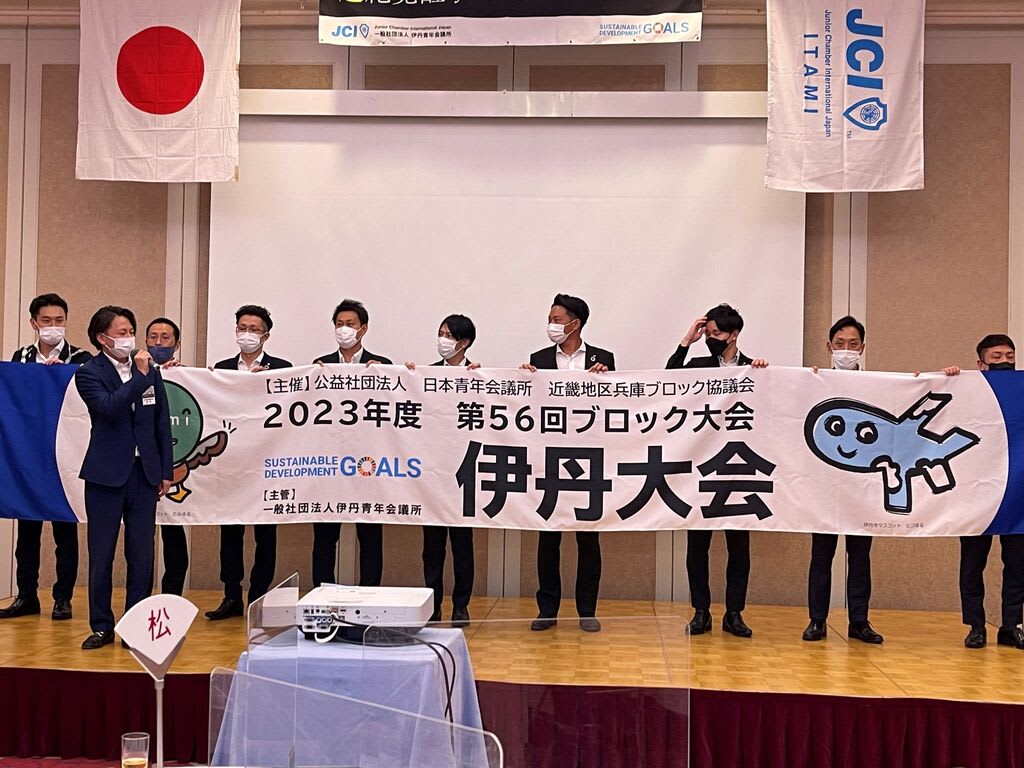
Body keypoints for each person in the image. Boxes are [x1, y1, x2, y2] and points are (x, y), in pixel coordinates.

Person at [666, 303, 768, 638]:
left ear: (733, 334)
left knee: (739, 548)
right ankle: (701, 612)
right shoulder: (698, 365)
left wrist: (763, 374)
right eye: (707, 333)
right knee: (697, 546)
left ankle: (734, 613)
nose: (711, 338)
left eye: (716, 333)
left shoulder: (752, 369)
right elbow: (668, 380)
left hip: (739, 468)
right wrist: (687, 341)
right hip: (703, 468)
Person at [75, 306, 172, 649]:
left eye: (131, 330)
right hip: (105, 475)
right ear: (102, 338)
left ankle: (135, 626)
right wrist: (140, 378)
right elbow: (109, 407)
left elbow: (161, 422)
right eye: (121, 332)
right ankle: (102, 625)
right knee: (102, 554)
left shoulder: (148, 370)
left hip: (144, 474)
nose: (129, 337)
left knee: (142, 555)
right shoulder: (89, 373)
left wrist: (165, 470)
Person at [522, 294, 614, 633]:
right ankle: (547, 610)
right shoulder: (539, 359)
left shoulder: (603, 358)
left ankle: (587, 610)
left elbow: (615, 405)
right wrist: (523, 380)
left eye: (557, 319)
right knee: (549, 539)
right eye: (550, 319)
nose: (551, 325)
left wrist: (606, 379)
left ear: (575, 323)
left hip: (589, 460)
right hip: (549, 460)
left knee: (588, 539)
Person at [0, 293, 91, 622]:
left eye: (59, 321)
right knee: (27, 529)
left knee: (65, 529)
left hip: (63, 453)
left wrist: (66, 374)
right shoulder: (21, 357)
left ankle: (63, 597)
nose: (53, 326)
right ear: (33, 323)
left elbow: (91, 395)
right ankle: (26, 595)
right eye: (46, 321)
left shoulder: (80, 357)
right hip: (27, 454)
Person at [803, 316, 883, 644]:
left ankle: (859, 621)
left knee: (860, 557)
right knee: (821, 556)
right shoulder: (814, 382)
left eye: (853, 344)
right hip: (825, 485)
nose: (846, 350)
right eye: (840, 344)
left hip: (862, 486)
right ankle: (817, 620)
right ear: (828, 347)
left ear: (862, 348)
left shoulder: (878, 385)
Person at [207, 305, 290, 620]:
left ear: (266, 335)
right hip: (231, 464)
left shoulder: (282, 369)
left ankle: (259, 596)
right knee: (230, 533)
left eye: (254, 329)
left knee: (265, 535)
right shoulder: (222, 369)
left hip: (268, 464)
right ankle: (231, 595)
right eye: (242, 328)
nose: (247, 334)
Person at [941, 334, 1024, 650]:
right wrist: (950, 380)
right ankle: (976, 626)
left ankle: (1011, 626)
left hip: (1016, 492)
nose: (1004, 362)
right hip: (977, 493)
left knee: (1017, 565)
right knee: (972, 563)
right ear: (981, 363)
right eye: (996, 356)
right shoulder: (968, 391)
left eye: (1009, 356)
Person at [312, 299, 393, 588]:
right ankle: (323, 591)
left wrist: (385, 376)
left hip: (368, 464)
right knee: (324, 536)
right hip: (329, 463)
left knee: (370, 536)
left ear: (363, 329)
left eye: (350, 324)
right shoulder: (319, 365)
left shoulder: (382, 365)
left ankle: (370, 592)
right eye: (339, 324)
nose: (343, 329)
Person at [405, 314, 480, 626]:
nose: (443, 340)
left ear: (464, 342)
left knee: (462, 547)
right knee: (432, 548)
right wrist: (408, 378)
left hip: (463, 475)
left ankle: (461, 605)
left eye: (449, 335)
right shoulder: (427, 375)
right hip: (432, 476)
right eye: (441, 333)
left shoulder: (478, 375)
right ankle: (433, 605)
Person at [145, 317, 188, 596]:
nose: (158, 343)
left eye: (165, 338)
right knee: (141, 539)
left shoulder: (185, 376)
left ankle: (172, 596)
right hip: (142, 465)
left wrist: (185, 376)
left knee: (174, 534)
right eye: (153, 337)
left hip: (176, 465)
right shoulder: (133, 372)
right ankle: (141, 599)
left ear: (177, 344)